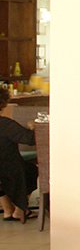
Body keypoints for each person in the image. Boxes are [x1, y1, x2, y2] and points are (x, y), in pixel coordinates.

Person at [0, 88, 37, 223]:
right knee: (32, 170)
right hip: (9, 168)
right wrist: (33, 127)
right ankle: (20, 210)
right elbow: (30, 139)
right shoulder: (5, 124)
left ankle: (7, 210)